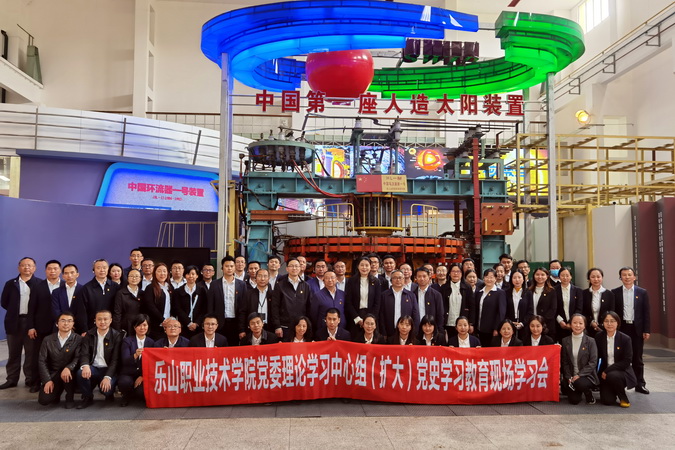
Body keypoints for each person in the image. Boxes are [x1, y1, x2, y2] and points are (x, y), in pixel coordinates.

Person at [1, 257, 42, 390]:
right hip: (14, 322)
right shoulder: (10, 284)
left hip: (31, 323)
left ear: (34, 268)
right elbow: (4, 302)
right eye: (23, 265)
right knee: (13, 353)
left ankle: (30, 379)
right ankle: (11, 379)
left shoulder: (40, 283)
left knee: (31, 354)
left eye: (29, 265)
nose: (26, 267)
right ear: (19, 267)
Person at [611, 266, 650, 394]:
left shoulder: (642, 292)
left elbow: (646, 313)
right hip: (622, 328)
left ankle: (640, 384)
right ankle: (620, 383)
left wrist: (646, 330)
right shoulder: (615, 292)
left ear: (634, 277)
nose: (627, 277)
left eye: (629, 274)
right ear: (620, 277)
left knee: (637, 357)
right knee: (620, 357)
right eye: (624, 275)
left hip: (636, 329)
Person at [26, 260, 63, 393]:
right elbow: (31, 308)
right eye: (49, 269)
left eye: (55, 268)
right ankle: (35, 382)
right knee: (38, 355)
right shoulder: (38, 286)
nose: (52, 271)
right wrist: (31, 326)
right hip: (40, 327)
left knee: (59, 355)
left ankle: (59, 382)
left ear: (60, 270)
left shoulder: (65, 285)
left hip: (61, 328)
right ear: (45, 270)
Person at [75, 310, 122, 409]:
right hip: (94, 368)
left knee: (106, 390)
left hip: (108, 369)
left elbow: (115, 360)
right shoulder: (89, 334)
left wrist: (107, 377)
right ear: (95, 321)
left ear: (110, 320)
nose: (102, 322)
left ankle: (109, 394)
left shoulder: (116, 336)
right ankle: (87, 397)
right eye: (99, 319)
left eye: (105, 319)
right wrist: (85, 365)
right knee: (80, 372)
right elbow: (84, 353)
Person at [37, 312, 82, 408]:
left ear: (73, 324)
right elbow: (42, 361)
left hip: (71, 373)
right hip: (54, 373)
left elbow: (78, 357)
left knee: (67, 373)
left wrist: (69, 367)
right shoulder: (47, 340)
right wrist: (47, 380)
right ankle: (56, 393)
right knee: (44, 400)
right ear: (57, 323)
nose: (66, 323)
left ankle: (69, 397)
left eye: (69, 321)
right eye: (63, 321)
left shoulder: (78, 339)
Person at [595, 311, 636, 407]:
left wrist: (607, 370)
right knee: (607, 401)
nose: (609, 324)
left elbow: (627, 361)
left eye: (612, 321)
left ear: (618, 323)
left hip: (621, 371)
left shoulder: (625, 339)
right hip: (605, 373)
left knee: (612, 375)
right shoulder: (599, 337)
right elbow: (596, 357)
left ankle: (623, 397)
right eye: (606, 321)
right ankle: (614, 389)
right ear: (603, 323)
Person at [561, 313, 599, 405]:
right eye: (575, 323)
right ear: (570, 324)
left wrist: (579, 375)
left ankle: (588, 394)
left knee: (579, 383)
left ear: (584, 326)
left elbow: (593, 362)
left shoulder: (591, 341)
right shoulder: (565, 341)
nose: (577, 325)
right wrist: (568, 377)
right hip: (571, 376)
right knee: (574, 400)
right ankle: (577, 389)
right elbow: (564, 362)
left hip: (586, 375)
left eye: (580, 323)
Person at [208, 255, 246, 346]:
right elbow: (210, 306)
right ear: (222, 268)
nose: (229, 268)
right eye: (227, 266)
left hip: (235, 323)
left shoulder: (242, 285)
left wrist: (242, 328)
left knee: (233, 348)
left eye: (231, 266)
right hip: (219, 323)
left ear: (235, 268)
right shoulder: (214, 284)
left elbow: (243, 307)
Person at [270, 258, 311, 341]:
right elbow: (275, 307)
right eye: (291, 266)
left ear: (300, 268)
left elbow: (309, 307)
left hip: (301, 328)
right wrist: (277, 326)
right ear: (287, 269)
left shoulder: (306, 286)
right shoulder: (280, 285)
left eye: (296, 266)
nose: (294, 268)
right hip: (285, 326)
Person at [118, 314, 155, 407]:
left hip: (143, 374)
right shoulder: (127, 341)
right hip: (128, 372)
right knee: (124, 382)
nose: (142, 328)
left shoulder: (152, 342)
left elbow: (152, 363)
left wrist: (143, 376)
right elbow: (125, 360)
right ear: (134, 327)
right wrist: (135, 355)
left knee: (141, 392)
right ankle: (126, 396)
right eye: (139, 325)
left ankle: (135, 394)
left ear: (148, 326)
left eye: (145, 325)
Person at [344, 256, 381, 336]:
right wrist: (357, 319)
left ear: (370, 266)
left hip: (371, 316)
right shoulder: (351, 281)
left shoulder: (376, 281)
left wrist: (371, 319)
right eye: (362, 265)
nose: (364, 268)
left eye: (367, 265)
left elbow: (377, 303)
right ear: (358, 266)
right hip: (355, 316)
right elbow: (348, 302)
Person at [80, 259, 120, 332]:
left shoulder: (115, 287)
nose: (102, 270)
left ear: (108, 269)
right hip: (92, 328)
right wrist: (84, 330)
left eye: (104, 268)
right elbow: (82, 311)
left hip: (112, 328)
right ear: (93, 270)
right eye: (98, 268)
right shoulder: (86, 288)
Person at [380, 270, 419, 338]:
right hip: (389, 331)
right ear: (391, 280)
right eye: (395, 278)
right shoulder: (384, 295)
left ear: (404, 280)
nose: (398, 280)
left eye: (400, 278)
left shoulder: (411, 295)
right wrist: (383, 332)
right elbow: (381, 315)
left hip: (407, 332)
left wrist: (414, 332)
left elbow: (415, 314)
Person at [172, 265, 208, 338]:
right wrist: (188, 323)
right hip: (183, 326)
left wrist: (197, 323)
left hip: (198, 327)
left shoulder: (202, 290)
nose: (191, 276)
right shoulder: (178, 291)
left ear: (197, 276)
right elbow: (177, 309)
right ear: (185, 275)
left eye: (193, 274)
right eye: (188, 274)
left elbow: (204, 309)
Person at [473, 268, 506, 347]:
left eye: (491, 277)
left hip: (492, 330)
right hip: (479, 328)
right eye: (486, 277)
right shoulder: (479, 292)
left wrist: (496, 328)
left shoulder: (500, 293)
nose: (489, 279)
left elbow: (501, 312)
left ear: (495, 278)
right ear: (483, 278)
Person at [52, 263, 87, 334]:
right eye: (66, 273)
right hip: (61, 327)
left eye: (72, 273)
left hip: (79, 327)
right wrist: (65, 323)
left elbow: (84, 310)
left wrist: (72, 323)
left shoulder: (84, 290)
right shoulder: (56, 292)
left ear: (77, 274)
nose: (69, 275)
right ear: (63, 276)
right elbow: (56, 310)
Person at [141, 263, 173, 340]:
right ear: (154, 273)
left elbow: (173, 305)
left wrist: (170, 319)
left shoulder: (170, 287)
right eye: (159, 271)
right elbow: (150, 306)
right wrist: (162, 320)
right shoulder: (150, 288)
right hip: (155, 324)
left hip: (169, 324)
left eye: (164, 271)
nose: (162, 273)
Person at [239, 268, 274, 337]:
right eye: (259, 276)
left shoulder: (274, 294)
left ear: (269, 279)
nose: (262, 279)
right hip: (253, 327)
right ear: (255, 279)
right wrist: (241, 330)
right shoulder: (248, 294)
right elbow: (242, 313)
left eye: (265, 276)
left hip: (270, 326)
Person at [440, 263, 473, 339]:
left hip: (463, 324)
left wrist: (471, 323)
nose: (455, 273)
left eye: (458, 271)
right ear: (449, 273)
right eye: (453, 271)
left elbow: (472, 306)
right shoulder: (444, 288)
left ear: (462, 273)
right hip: (448, 322)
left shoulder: (467, 287)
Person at [582, 267, 615, 337]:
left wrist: (601, 325)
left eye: (598, 277)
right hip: (588, 328)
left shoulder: (609, 294)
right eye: (593, 277)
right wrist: (591, 322)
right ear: (589, 279)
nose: (596, 279)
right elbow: (582, 311)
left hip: (605, 328)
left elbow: (611, 311)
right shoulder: (583, 294)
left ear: (602, 278)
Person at [555, 267, 583, 343]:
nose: (565, 278)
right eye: (562, 275)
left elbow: (579, 308)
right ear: (559, 277)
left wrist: (571, 322)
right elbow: (553, 308)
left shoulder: (578, 290)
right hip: (559, 325)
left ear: (571, 276)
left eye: (567, 275)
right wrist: (560, 321)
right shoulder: (554, 290)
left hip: (575, 325)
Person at [112, 268, 143, 337]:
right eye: (131, 276)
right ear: (127, 278)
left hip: (139, 325)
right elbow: (117, 313)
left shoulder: (143, 293)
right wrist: (117, 330)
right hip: (126, 325)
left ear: (140, 279)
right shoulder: (121, 293)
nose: (134, 278)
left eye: (136, 276)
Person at [528, 267, 557, 339]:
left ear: (547, 276)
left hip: (546, 324)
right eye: (537, 274)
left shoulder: (552, 291)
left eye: (542, 275)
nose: (540, 277)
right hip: (531, 325)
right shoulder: (528, 290)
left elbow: (553, 309)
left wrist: (540, 322)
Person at [505, 270, 533, 340]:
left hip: (524, 325)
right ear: (511, 279)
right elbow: (504, 310)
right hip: (509, 324)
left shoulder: (528, 292)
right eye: (514, 278)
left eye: (519, 277)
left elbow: (530, 311)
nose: (517, 280)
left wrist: (522, 323)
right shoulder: (506, 292)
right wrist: (510, 322)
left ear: (523, 279)